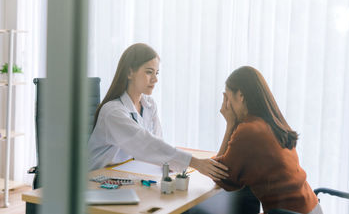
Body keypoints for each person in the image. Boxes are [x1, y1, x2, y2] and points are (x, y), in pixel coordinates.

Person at [88, 43, 228, 181]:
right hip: (97, 180)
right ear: (130, 72)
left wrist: (169, 162)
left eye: (156, 73)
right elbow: (144, 143)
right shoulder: (112, 112)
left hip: (125, 175)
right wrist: (194, 162)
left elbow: (157, 143)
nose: (155, 79)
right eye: (149, 72)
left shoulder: (149, 105)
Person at [214, 66, 322, 214]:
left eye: (228, 98)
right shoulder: (273, 122)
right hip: (311, 207)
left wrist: (230, 124)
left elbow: (221, 177)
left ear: (240, 95)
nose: (227, 105)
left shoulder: (248, 130)